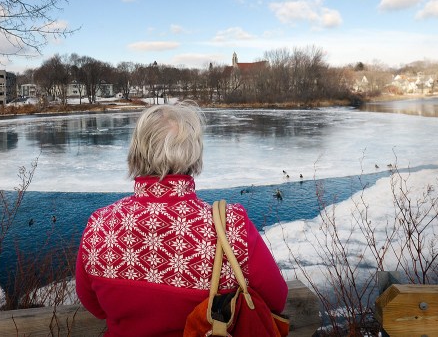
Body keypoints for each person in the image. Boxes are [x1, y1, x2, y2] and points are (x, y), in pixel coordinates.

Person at [76, 101, 288, 336]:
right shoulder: (231, 226)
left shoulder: (99, 225)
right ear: (194, 154)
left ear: (137, 151)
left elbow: (94, 305)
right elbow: (275, 299)